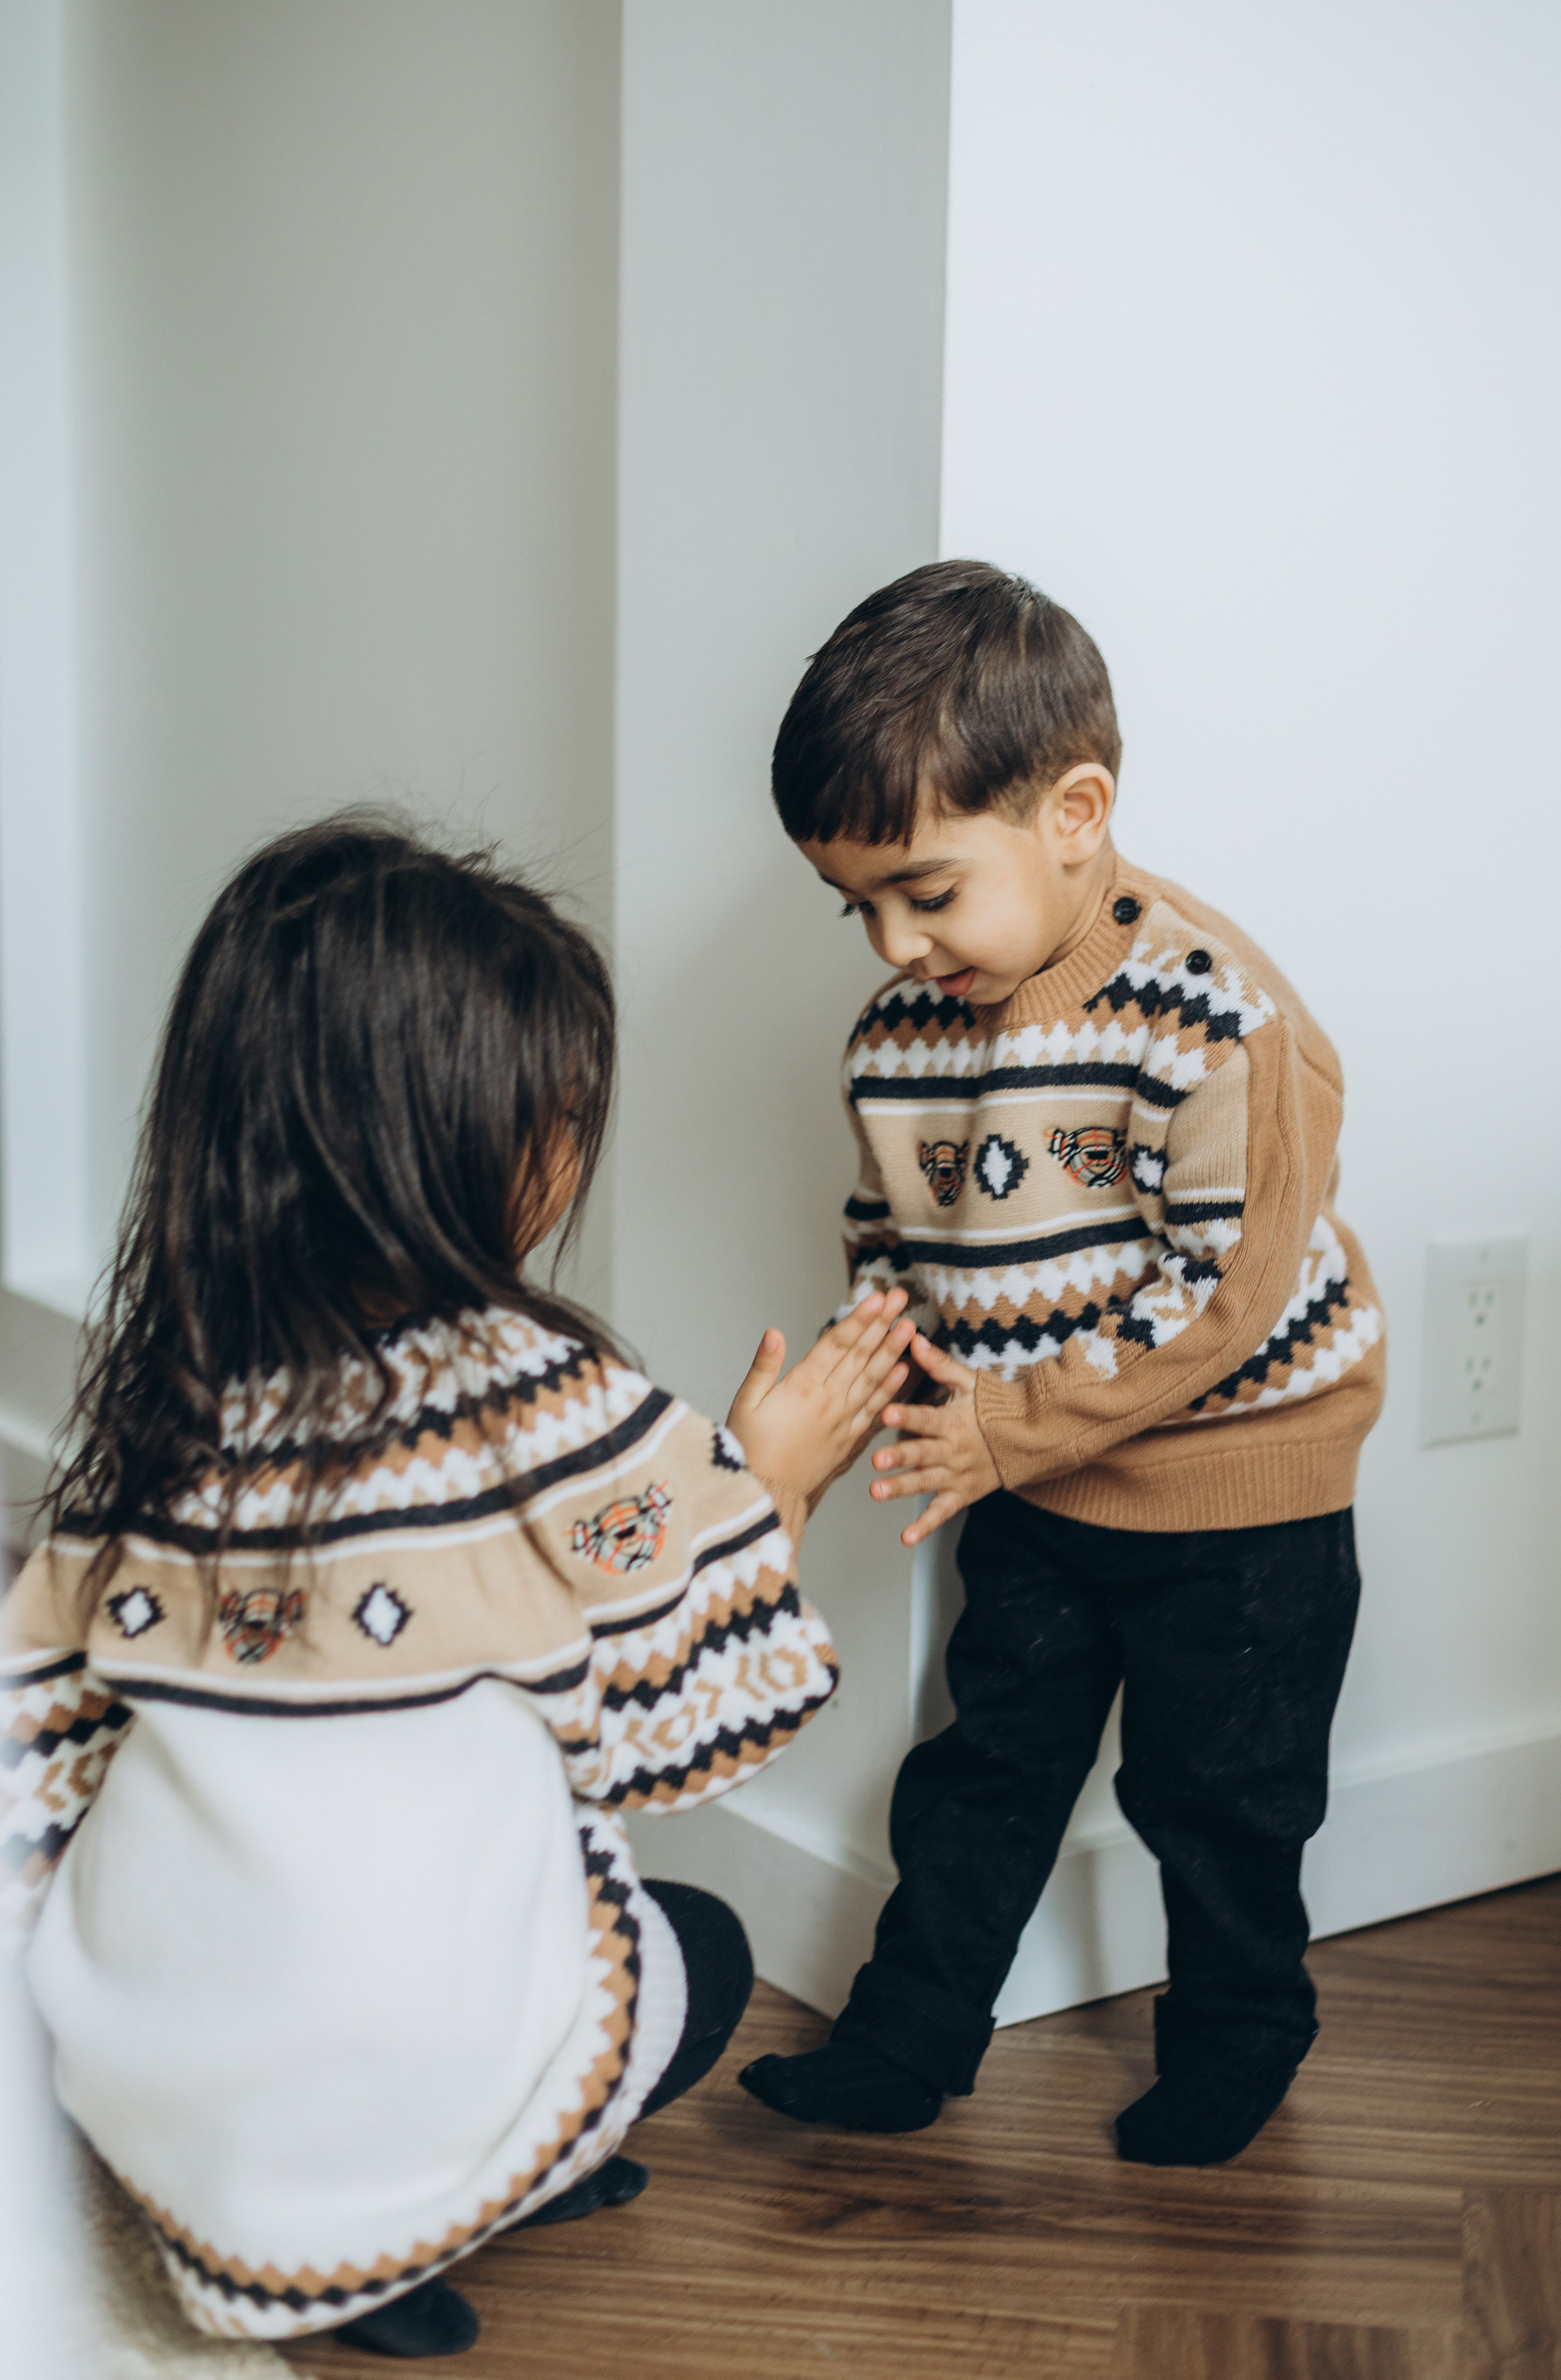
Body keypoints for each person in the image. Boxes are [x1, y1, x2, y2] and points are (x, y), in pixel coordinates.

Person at [0, 819, 914, 2357]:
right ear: (451, 1141)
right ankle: (446, 2196)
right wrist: (776, 1479)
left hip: (158, 2086)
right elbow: (680, 1718)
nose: (569, 1153)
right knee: (697, 1950)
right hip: (388, 2063)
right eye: (554, 1116)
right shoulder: (542, 1401)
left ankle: (342, 2209)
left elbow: (43, 1738)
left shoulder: (173, 1405)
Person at [739, 561, 1384, 2168]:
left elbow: (1223, 1296)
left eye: (927, 891)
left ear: (1073, 811)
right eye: (858, 905)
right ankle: (905, 2041)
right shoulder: (901, 1038)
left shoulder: (1211, 1018)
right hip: (1029, 1477)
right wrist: (883, 1376)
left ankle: (1241, 2034)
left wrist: (1010, 1424)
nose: (892, 941)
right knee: (981, 1773)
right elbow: (893, 1236)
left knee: (1220, 1798)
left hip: (1238, 1502)